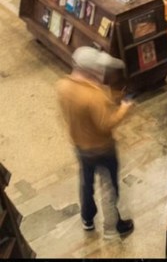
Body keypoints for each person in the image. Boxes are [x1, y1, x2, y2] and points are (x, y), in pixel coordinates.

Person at [57, 47, 135, 239]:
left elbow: (78, 115)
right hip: (102, 148)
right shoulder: (93, 96)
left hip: (80, 147)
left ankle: (87, 219)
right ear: (91, 70)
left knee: (86, 183)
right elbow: (106, 124)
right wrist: (124, 108)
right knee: (110, 187)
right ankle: (113, 227)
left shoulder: (63, 86)